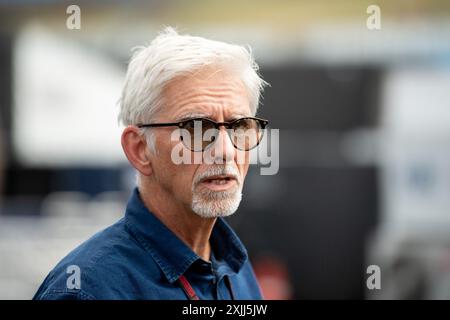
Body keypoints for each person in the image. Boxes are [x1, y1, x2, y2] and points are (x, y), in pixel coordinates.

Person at [34, 27, 268, 300]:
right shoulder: (86, 291)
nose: (225, 151)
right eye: (195, 129)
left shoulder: (234, 268)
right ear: (140, 149)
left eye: (239, 125)